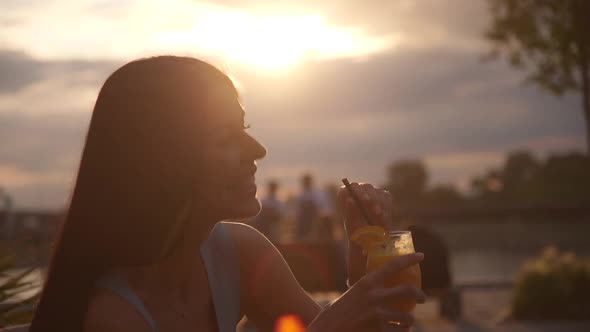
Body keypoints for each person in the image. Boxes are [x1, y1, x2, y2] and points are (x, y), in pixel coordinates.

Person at [28, 56, 425, 332]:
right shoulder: (111, 316)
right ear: (162, 157)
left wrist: (364, 259)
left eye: (245, 128)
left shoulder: (238, 252)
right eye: (226, 138)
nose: (257, 151)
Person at [295, 173, 333, 240]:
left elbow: (321, 206)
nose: (306, 183)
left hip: (316, 216)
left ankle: (311, 236)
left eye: (307, 181)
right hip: (304, 217)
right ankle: (303, 237)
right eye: (305, 181)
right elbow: (298, 208)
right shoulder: (301, 194)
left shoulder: (317, 193)